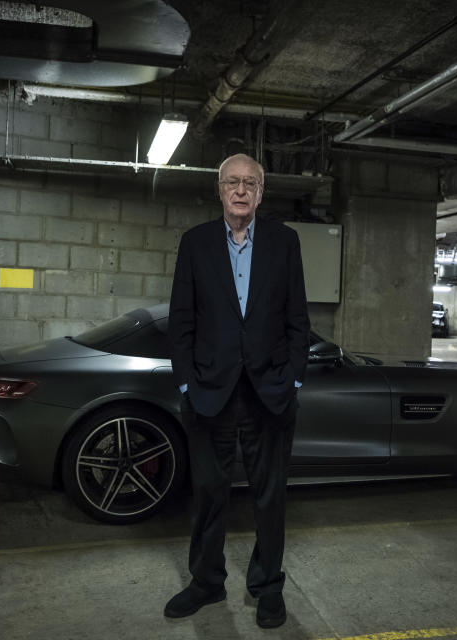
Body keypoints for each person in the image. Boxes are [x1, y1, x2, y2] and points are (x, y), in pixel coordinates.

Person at [164, 153, 310, 628]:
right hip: (209, 392)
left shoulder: (285, 243)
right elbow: (182, 321)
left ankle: (268, 585)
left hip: (269, 393)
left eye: (250, 182)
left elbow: (297, 321)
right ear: (220, 190)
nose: (241, 190)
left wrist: (292, 378)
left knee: (270, 497)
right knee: (209, 492)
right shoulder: (196, 243)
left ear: (261, 192)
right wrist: (186, 381)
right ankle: (206, 583)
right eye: (233, 182)